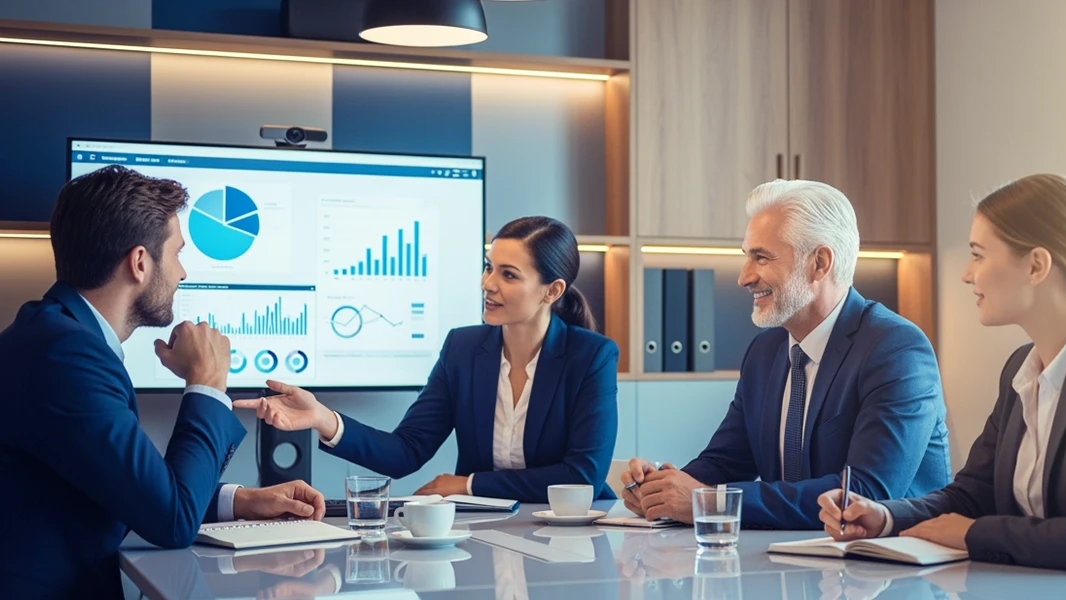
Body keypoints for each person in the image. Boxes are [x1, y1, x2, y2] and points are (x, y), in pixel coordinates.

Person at [817, 174, 1066, 586]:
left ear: (1036, 265)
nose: (967, 274)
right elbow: (972, 495)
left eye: (978, 255)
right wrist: (886, 516)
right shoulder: (1021, 368)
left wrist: (972, 534)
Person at [0, 165, 325, 599]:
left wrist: (240, 501)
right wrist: (207, 380)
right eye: (177, 254)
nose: (182, 273)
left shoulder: (55, 336)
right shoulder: (67, 356)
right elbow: (171, 520)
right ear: (139, 262)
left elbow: (130, 487)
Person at [622, 180, 951, 529]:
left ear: (819, 263)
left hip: (886, 558)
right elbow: (725, 462)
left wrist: (708, 502)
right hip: (788, 554)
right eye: (747, 256)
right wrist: (660, 489)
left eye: (761, 257)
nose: (744, 277)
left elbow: (865, 493)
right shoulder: (764, 351)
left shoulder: (896, 348)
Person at [235, 216, 619, 502]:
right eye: (489, 267)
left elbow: (581, 477)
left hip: (571, 533)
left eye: (509, 275)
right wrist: (323, 418)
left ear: (552, 291)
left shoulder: (592, 357)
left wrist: (468, 484)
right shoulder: (463, 349)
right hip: (487, 527)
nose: (487, 284)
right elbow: (405, 451)